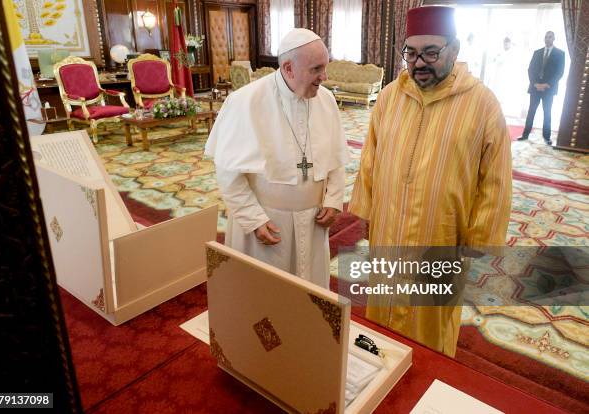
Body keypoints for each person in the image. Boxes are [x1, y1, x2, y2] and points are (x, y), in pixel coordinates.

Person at [349, 6, 512, 357]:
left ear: (454, 49)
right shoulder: (391, 96)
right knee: (382, 322)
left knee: (429, 332)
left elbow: (496, 179)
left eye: (431, 53)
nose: (419, 63)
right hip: (389, 233)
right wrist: (366, 213)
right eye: (410, 52)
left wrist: (481, 237)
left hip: (441, 237)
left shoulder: (482, 104)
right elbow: (369, 160)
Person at [204, 28, 349, 289]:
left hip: (313, 222)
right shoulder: (245, 102)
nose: (323, 77)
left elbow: (337, 159)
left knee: (310, 295)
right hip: (268, 225)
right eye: (316, 69)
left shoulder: (326, 101)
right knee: (265, 297)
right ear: (288, 68)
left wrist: (334, 199)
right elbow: (228, 173)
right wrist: (253, 218)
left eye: (325, 68)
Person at [517, 31, 565, 145]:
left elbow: (559, 72)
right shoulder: (537, 52)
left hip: (549, 89)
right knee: (531, 111)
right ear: (544, 39)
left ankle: (547, 137)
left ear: (554, 38)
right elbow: (530, 69)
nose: (547, 39)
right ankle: (525, 135)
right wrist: (535, 84)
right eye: (546, 37)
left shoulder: (560, 54)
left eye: (550, 37)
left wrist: (547, 84)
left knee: (547, 112)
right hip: (535, 87)